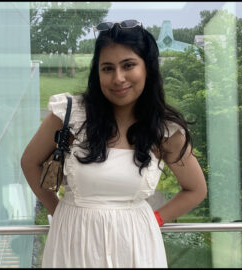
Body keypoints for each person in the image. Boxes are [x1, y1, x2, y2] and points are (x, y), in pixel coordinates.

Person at [21, 19, 207, 268]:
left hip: (136, 244)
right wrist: (57, 211)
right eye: (107, 68)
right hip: (72, 239)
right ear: (97, 72)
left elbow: (195, 189)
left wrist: (155, 220)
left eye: (128, 65)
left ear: (147, 68)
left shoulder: (163, 130)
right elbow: (30, 162)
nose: (118, 78)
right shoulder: (70, 114)